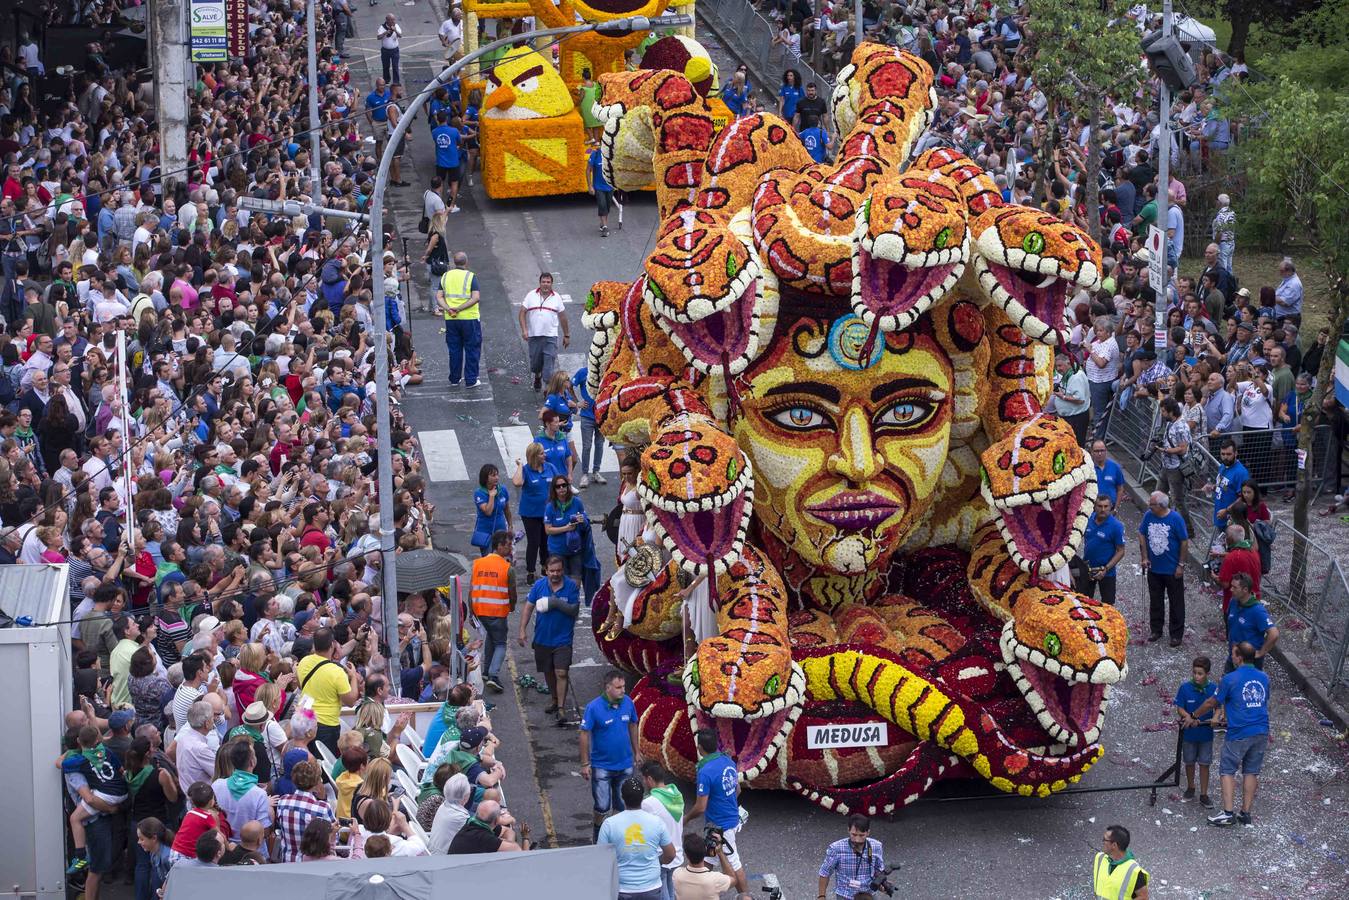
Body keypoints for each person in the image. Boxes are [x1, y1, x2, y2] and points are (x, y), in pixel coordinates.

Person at [1195, 642, 1270, 827]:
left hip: (1239, 732)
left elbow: (1212, 702)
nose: (1232, 657)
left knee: (1227, 770)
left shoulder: (1230, 679)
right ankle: (1245, 813)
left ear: (1240, 658)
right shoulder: (1264, 677)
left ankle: (1228, 813)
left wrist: (1194, 715)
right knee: (1251, 771)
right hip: (1261, 731)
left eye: (1234, 655)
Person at [682, 729, 746, 895]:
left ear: (700, 747)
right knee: (709, 857)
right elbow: (737, 790)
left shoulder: (705, 772)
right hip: (726, 820)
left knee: (733, 863)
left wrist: (686, 818)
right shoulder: (728, 761)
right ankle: (702, 893)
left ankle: (745, 896)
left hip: (721, 825)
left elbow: (700, 807)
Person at [517, 555, 580, 724]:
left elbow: (574, 610)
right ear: (546, 571)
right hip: (543, 638)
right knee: (549, 672)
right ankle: (554, 699)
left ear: (563, 571)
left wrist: (555, 603)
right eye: (552, 571)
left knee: (561, 672)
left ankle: (561, 708)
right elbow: (529, 607)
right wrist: (522, 629)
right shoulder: (539, 586)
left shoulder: (571, 587)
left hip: (563, 640)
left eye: (559, 570)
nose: (555, 574)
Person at [580, 670, 641, 841]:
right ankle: (598, 834)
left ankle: (618, 838)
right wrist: (585, 764)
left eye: (624, 686)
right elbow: (584, 734)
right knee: (602, 806)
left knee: (622, 807)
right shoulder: (593, 708)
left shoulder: (628, 703)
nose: (623, 690)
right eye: (619, 687)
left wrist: (637, 752)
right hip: (602, 767)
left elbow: (633, 725)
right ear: (608, 688)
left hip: (625, 765)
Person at [596, 777, 675, 900]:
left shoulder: (609, 824)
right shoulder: (656, 822)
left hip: (622, 889)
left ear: (622, 798)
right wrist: (657, 862)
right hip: (652, 888)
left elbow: (600, 859)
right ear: (642, 797)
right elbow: (670, 854)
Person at [296, 628, 361, 754]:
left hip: (303, 719)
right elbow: (351, 701)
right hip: (325, 725)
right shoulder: (336, 671)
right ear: (332, 645)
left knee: (305, 761)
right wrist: (353, 677)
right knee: (323, 765)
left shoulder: (304, 661)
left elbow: (300, 685)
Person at [1137, 491, 1188, 647]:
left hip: (1172, 570)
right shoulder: (1148, 516)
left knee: (1176, 602)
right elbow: (1141, 534)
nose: (1149, 506)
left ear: (1161, 506)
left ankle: (1176, 634)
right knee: (1156, 601)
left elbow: (1184, 542)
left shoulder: (1175, 519)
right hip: (1154, 569)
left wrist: (1181, 565)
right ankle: (1156, 630)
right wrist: (1144, 557)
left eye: (1151, 504)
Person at [470, 530, 516, 692]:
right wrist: (512, 606)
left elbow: (472, 589)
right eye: (509, 545)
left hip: (480, 611)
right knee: (501, 643)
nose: (511, 548)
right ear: (500, 546)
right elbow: (512, 592)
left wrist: (471, 612)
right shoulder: (507, 568)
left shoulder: (477, 564)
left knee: (492, 637)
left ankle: (486, 670)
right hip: (497, 612)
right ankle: (493, 675)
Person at [1174, 655, 1217, 809]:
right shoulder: (1185, 688)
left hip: (1206, 734)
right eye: (1194, 673)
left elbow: (1218, 707)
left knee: (1205, 764)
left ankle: (1204, 794)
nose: (1197, 676)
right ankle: (1191, 787)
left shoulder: (1213, 689)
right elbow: (1179, 707)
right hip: (1189, 733)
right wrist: (1188, 717)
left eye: (1200, 673)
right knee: (1189, 761)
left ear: (1207, 674)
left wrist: (1216, 717)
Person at [640, 762, 684, 898]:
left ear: (650, 779)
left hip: (661, 858)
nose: (643, 782)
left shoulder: (649, 803)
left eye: (644, 779)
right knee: (672, 894)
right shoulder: (677, 794)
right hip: (677, 855)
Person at [437, 251, 481, 388]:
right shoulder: (470, 276)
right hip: (469, 318)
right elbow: (475, 297)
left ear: (454, 262)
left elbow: (439, 296)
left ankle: (455, 379)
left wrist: (448, 308)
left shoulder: (445, 276)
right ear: (466, 262)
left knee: (454, 349)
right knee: (472, 349)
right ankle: (471, 380)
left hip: (451, 319)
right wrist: (459, 309)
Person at [519, 272, 568, 392]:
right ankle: (537, 375)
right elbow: (522, 313)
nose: (546, 284)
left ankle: (548, 391)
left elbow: (562, 317)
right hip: (534, 336)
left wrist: (567, 335)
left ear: (551, 284)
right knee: (535, 365)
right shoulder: (531, 295)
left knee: (549, 367)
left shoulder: (556, 297)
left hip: (550, 337)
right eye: (543, 282)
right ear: (540, 283)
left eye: (548, 282)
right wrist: (524, 330)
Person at [818, 813, 885, 900]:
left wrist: (882, 884)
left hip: (868, 895)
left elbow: (878, 870)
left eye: (861, 835)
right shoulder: (836, 848)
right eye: (854, 835)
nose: (857, 839)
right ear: (848, 830)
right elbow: (825, 872)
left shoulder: (876, 846)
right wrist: (821, 896)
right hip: (845, 895)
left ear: (868, 832)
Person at [1074, 494, 1126, 604]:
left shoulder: (1116, 526)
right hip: (1088, 569)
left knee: (1108, 605)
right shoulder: (1087, 520)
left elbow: (1121, 551)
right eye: (1100, 506)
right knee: (1085, 603)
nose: (1103, 509)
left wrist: (1106, 568)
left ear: (1111, 507)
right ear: (1094, 506)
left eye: (1106, 506)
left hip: (1107, 572)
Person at [1225, 572, 1279, 672]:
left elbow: (1274, 634)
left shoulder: (1257, 611)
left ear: (1245, 590)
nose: (1231, 589)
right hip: (1233, 657)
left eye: (1234, 587)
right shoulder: (1233, 602)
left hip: (1249, 663)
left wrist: (1261, 652)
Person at [1156, 398, 1192, 536]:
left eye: (1164, 411)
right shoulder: (1171, 423)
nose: (1162, 413)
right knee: (1158, 494)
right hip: (1166, 466)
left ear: (1171, 411)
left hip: (1175, 469)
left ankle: (1187, 531)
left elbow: (1183, 449)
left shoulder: (1181, 426)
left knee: (1178, 500)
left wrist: (1165, 450)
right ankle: (1157, 519)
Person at [447, 799, 530, 853]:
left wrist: (503, 845)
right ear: (497, 820)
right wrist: (525, 837)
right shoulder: (485, 839)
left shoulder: (472, 823)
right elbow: (522, 856)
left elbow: (509, 831)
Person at [672, 831, 736, 900]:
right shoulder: (715, 879)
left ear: (686, 855)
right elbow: (733, 880)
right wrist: (720, 853)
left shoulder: (677, 874)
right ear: (706, 850)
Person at [1216, 524, 1262, 619]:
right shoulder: (1253, 551)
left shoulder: (1231, 557)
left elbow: (1224, 584)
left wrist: (1214, 577)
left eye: (1226, 537)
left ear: (1229, 539)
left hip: (1236, 605)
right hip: (1254, 600)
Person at [1091, 825, 1149, 899]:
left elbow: (1144, 897)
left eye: (1104, 839)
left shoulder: (1133, 871)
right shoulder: (1100, 858)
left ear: (1114, 845)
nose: (1102, 842)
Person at [1052, 351, 1091, 445]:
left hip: (1076, 419)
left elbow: (1080, 399)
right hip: (1071, 418)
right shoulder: (1070, 373)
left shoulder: (1076, 377)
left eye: (1060, 366)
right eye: (1056, 366)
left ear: (1068, 363)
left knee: (1075, 446)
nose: (1058, 369)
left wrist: (1063, 397)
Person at [587, 143, 615, 237]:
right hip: (598, 186)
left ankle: (603, 223)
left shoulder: (611, 155)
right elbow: (588, 170)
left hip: (610, 186)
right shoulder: (595, 154)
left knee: (607, 207)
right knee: (602, 205)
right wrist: (590, 186)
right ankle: (605, 227)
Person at [1090, 440, 1126, 508]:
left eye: (1102, 450)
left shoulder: (1115, 467)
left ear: (1106, 451)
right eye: (1096, 451)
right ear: (1092, 452)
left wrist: (1116, 508)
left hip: (1110, 510)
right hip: (1091, 509)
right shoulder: (1088, 468)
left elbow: (1120, 489)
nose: (1100, 453)